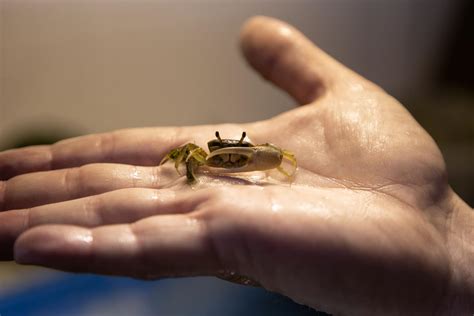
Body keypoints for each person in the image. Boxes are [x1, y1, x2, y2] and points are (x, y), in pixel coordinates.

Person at [0, 16, 472, 316]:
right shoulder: (203, 155)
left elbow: (282, 159)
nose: (228, 151)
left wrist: (452, 256)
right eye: (221, 148)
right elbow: (191, 154)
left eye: (238, 148)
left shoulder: (268, 155)